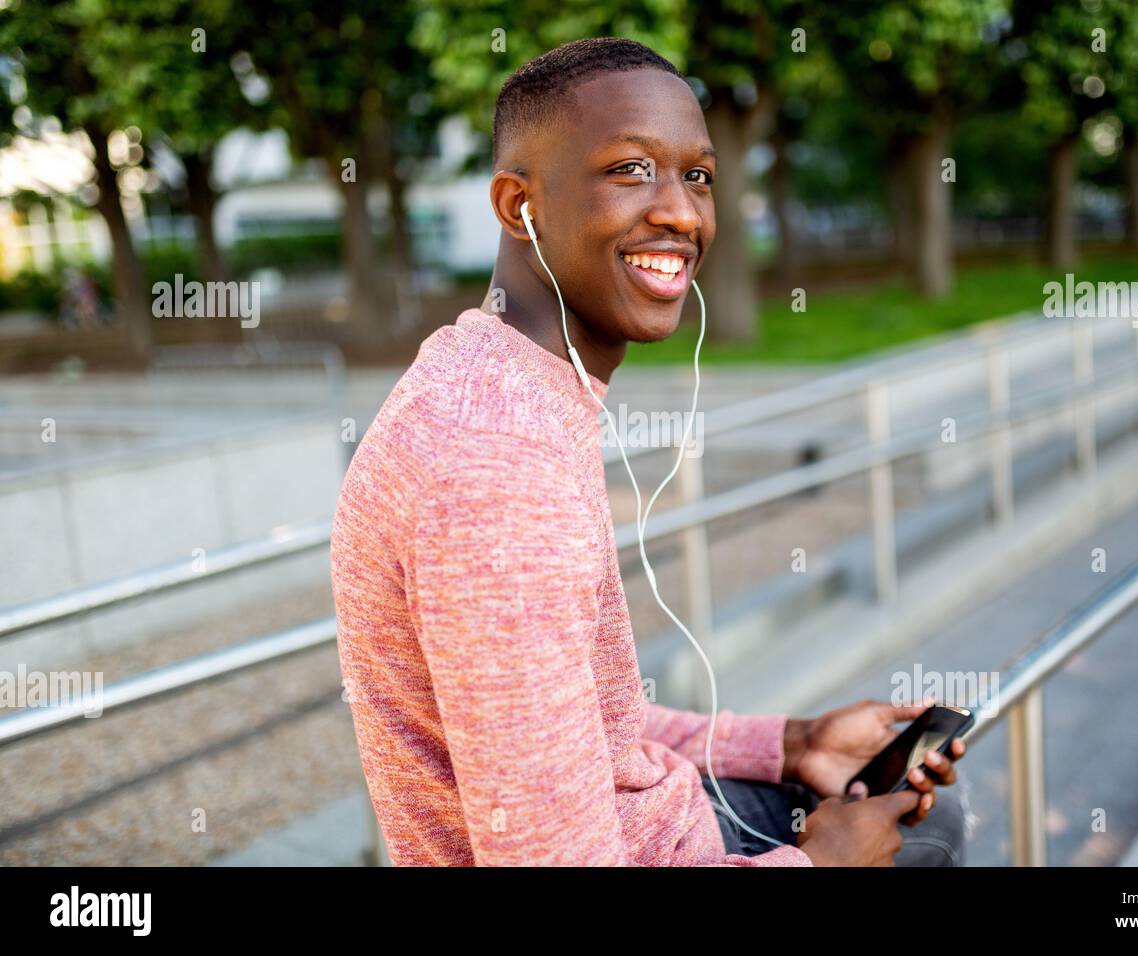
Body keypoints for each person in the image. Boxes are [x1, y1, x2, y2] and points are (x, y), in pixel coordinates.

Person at [330, 36, 967, 867]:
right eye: (631, 170)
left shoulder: (498, 382)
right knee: (928, 840)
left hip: (669, 823)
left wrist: (794, 743)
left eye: (698, 175)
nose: (682, 213)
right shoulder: (493, 471)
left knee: (911, 818)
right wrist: (817, 864)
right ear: (519, 205)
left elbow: (587, 722)